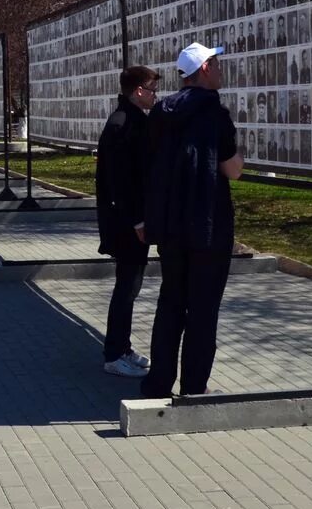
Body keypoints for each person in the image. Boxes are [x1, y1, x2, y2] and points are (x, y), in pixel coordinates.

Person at [140, 43, 242, 399]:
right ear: (203, 70)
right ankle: (194, 388)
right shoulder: (215, 113)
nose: (219, 69)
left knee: (171, 303)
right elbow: (233, 169)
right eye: (215, 63)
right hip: (207, 225)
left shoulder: (160, 113)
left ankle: (157, 384)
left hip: (170, 225)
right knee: (202, 309)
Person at [95, 67, 160, 379]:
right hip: (125, 223)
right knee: (126, 286)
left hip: (130, 220)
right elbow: (121, 181)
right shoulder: (123, 124)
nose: (154, 94)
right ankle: (113, 354)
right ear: (137, 90)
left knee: (130, 286)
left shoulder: (133, 121)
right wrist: (137, 220)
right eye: (151, 89)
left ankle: (122, 346)